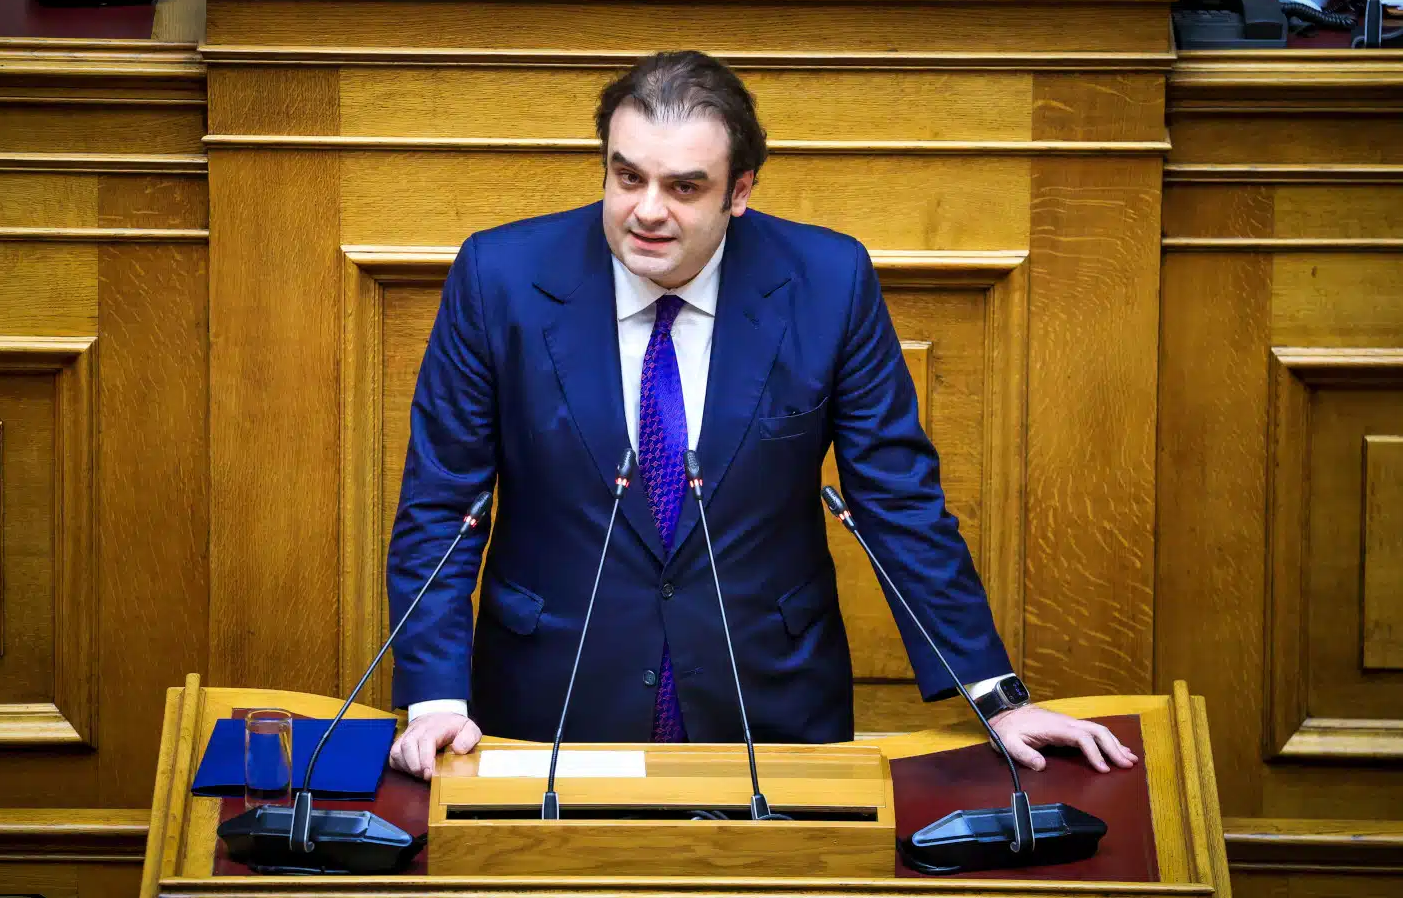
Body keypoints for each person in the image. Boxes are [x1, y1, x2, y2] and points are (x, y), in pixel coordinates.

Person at [385, 50, 1138, 781]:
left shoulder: (827, 282)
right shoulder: (500, 277)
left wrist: (995, 695)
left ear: (739, 191)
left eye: (685, 187)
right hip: (549, 699)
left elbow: (897, 499)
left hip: (770, 700)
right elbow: (442, 503)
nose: (648, 210)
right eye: (628, 177)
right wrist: (436, 699)